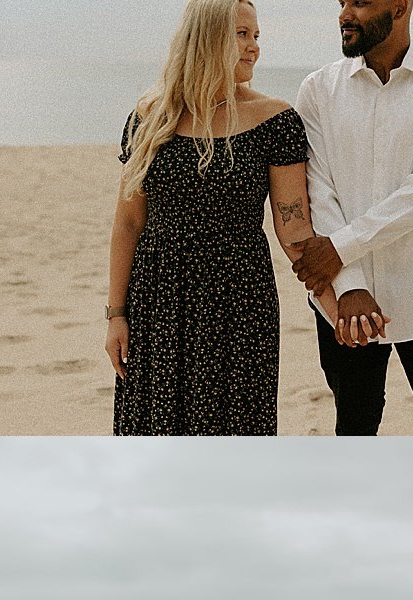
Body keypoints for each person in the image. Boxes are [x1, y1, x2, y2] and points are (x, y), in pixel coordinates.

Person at [106, 0, 354, 436]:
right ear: (207, 37)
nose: (254, 47)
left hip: (239, 304)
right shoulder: (149, 117)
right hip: (159, 302)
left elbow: (294, 230)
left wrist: (337, 303)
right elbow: (129, 223)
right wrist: (116, 314)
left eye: (256, 36)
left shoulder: (276, 120)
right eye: (242, 34)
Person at [292, 0, 413, 435]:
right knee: (354, 432)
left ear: (400, 5)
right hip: (341, 305)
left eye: (359, 3)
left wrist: (340, 249)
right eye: (341, 3)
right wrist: (351, 285)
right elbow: (318, 191)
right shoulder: (317, 90)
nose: (344, 15)